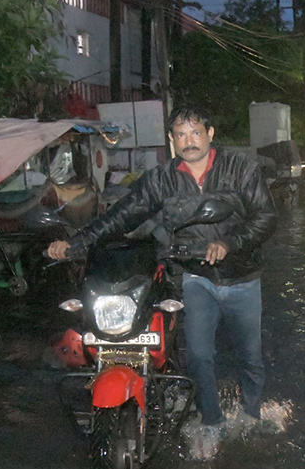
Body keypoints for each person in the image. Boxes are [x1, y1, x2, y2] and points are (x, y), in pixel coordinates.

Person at [46, 105, 278, 434]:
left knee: (249, 357)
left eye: (196, 132)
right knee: (198, 356)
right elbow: (122, 216)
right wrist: (76, 243)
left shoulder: (241, 169)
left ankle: (251, 415)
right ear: (172, 140)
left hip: (242, 278)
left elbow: (267, 217)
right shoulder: (162, 179)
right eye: (181, 135)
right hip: (197, 279)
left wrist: (230, 243)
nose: (189, 141)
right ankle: (211, 422)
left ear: (210, 134)